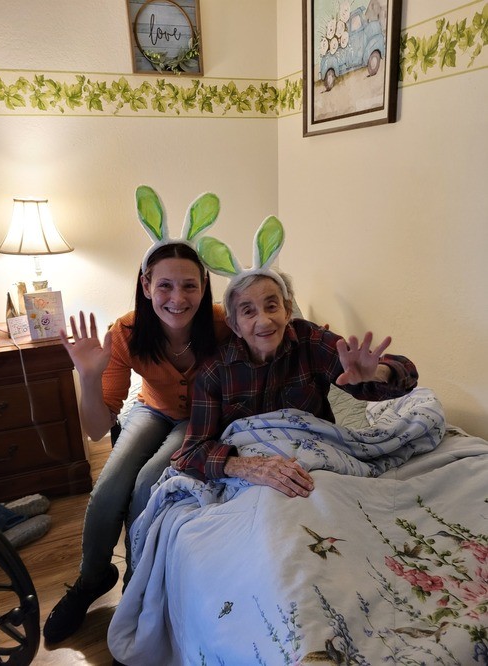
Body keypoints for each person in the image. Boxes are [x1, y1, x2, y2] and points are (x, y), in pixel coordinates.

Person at [43, 188, 229, 644]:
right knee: (109, 487)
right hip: (151, 408)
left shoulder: (224, 325)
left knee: (147, 484)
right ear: (146, 286)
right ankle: (92, 579)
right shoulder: (125, 331)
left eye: (189, 286)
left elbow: (276, 331)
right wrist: (89, 378)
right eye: (164, 285)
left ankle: (135, 584)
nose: (177, 298)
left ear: (204, 287)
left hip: (199, 418)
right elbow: (96, 430)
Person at [171, 231, 418, 497]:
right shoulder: (215, 371)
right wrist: (246, 466)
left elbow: (406, 375)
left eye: (272, 306)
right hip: (251, 474)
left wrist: (377, 372)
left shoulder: (311, 341)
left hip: (318, 463)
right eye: (248, 311)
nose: (264, 321)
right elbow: (191, 452)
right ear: (234, 325)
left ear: (287, 310)